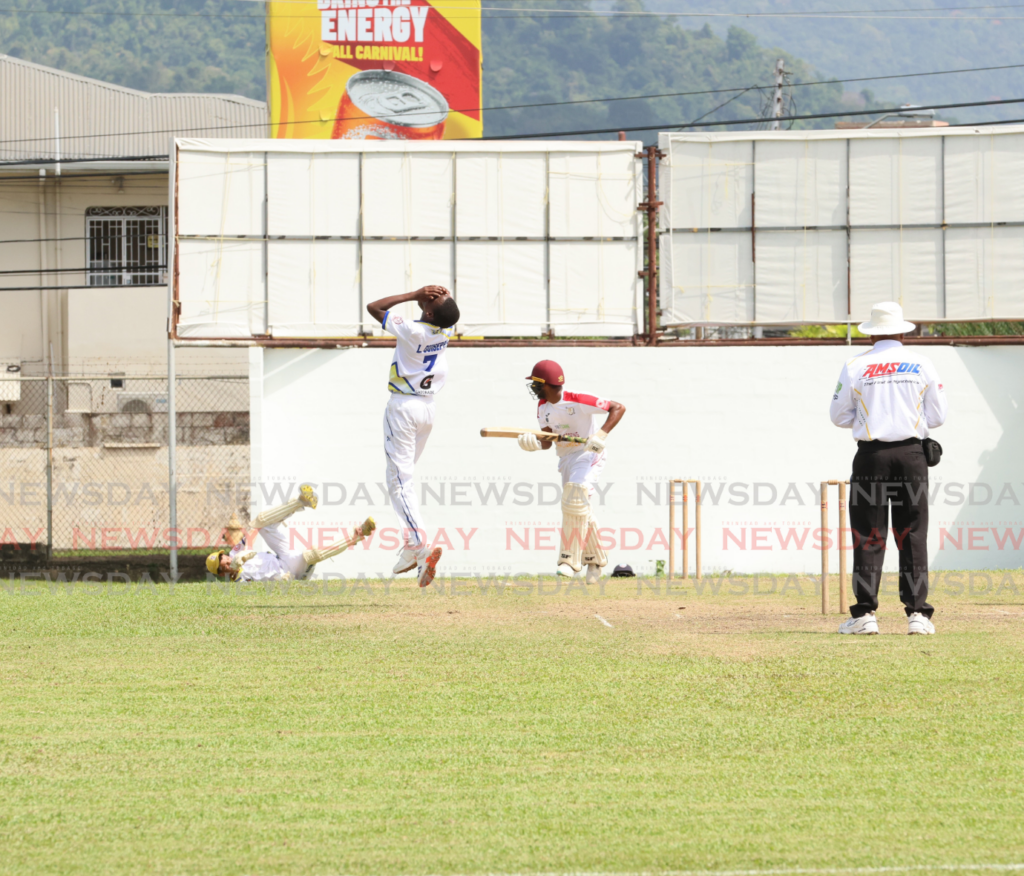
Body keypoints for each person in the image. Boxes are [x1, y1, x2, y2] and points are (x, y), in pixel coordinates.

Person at [829, 302, 948, 635]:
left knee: (869, 534)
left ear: (871, 334)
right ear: (901, 331)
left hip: (871, 456)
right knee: (912, 533)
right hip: (912, 456)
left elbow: (838, 416)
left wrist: (872, 419)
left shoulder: (855, 365)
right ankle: (918, 616)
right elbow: (938, 417)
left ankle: (865, 614)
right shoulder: (922, 363)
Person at [366, 284, 460, 588]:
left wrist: (413, 294)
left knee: (399, 482)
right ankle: (410, 547)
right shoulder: (444, 330)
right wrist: (432, 301)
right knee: (404, 479)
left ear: (429, 312)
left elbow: (374, 308)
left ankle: (419, 544)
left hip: (403, 408)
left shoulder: (413, 330)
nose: (430, 298)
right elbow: (446, 312)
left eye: (433, 300)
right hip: (427, 409)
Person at [517, 359, 626, 584]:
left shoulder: (578, 400)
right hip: (566, 457)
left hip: (589, 452)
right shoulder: (543, 406)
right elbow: (548, 442)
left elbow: (618, 407)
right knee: (577, 506)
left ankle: (569, 560)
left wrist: (601, 435)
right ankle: (595, 558)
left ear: (545, 384)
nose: (534, 389)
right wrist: (534, 443)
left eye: (536, 384)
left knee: (575, 496)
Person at [205, 484, 374, 582]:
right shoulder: (240, 582)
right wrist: (280, 583)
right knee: (312, 554)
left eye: (224, 557)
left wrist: (250, 540)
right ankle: (358, 534)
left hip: (280, 556)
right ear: (221, 573)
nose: (227, 560)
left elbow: (250, 537)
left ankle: (301, 502)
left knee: (259, 522)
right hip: (286, 571)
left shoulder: (234, 552)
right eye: (224, 565)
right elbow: (257, 589)